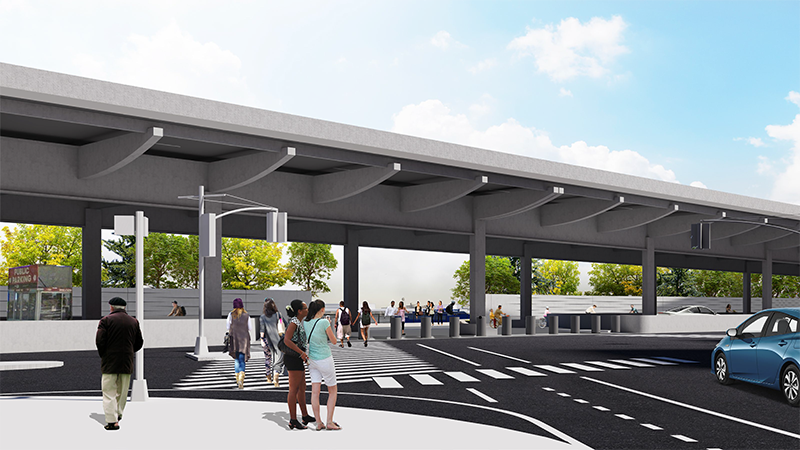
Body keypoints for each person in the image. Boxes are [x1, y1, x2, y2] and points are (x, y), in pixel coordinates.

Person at [95, 297, 144, 431]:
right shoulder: (134, 321)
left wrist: (104, 354)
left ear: (111, 307)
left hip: (110, 360)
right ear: (124, 307)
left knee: (109, 390)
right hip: (126, 361)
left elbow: (100, 340)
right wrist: (129, 351)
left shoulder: (105, 321)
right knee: (122, 391)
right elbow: (139, 342)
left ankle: (112, 421)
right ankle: (118, 414)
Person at [305, 299, 341, 431]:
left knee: (315, 392)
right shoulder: (324, 322)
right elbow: (334, 341)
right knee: (332, 391)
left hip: (312, 360)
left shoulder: (306, 322)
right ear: (322, 310)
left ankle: (319, 422)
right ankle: (329, 421)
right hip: (325, 359)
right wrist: (329, 325)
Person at [283, 299, 315, 430]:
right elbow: (287, 340)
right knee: (294, 389)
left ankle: (305, 415)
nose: (307, 310)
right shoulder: (294, 323)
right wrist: (301, 352)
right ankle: (293, 420)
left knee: (302, 387)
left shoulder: (298, 322)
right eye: (305, 308)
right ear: (299, 311)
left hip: (298, 358)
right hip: (293, 358)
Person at [260, 298, 284, 387]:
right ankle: (276, 373)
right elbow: (283, 325)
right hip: (279, 340)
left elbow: (262, 331)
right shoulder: (278, 315)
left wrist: (262, 340)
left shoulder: (262, 317)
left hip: (268, 341)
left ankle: (269, 377)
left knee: (268, 358)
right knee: (280, 357)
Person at [227, 298, 251, 389]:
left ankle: (237, 379)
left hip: (234, 339)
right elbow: (250, 328)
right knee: (242, 358)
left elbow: (228, 326)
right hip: (244, 339)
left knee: (236, 358)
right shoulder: (247, 315)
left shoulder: (231, 315)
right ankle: (241, 378)